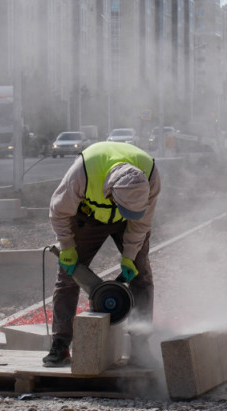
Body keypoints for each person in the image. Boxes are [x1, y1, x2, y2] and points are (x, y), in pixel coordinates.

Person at [44, 141, 161, 367]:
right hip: (87, 217)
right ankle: (60, 344)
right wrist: (67, 248)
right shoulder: (84, 171)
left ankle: (140, 347)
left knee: (142, 276)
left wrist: (129, 256)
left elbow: (141, 224)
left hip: (129, 223)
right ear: (110, 192)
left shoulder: (151, 175)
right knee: (68, 276)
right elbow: (58, 211)